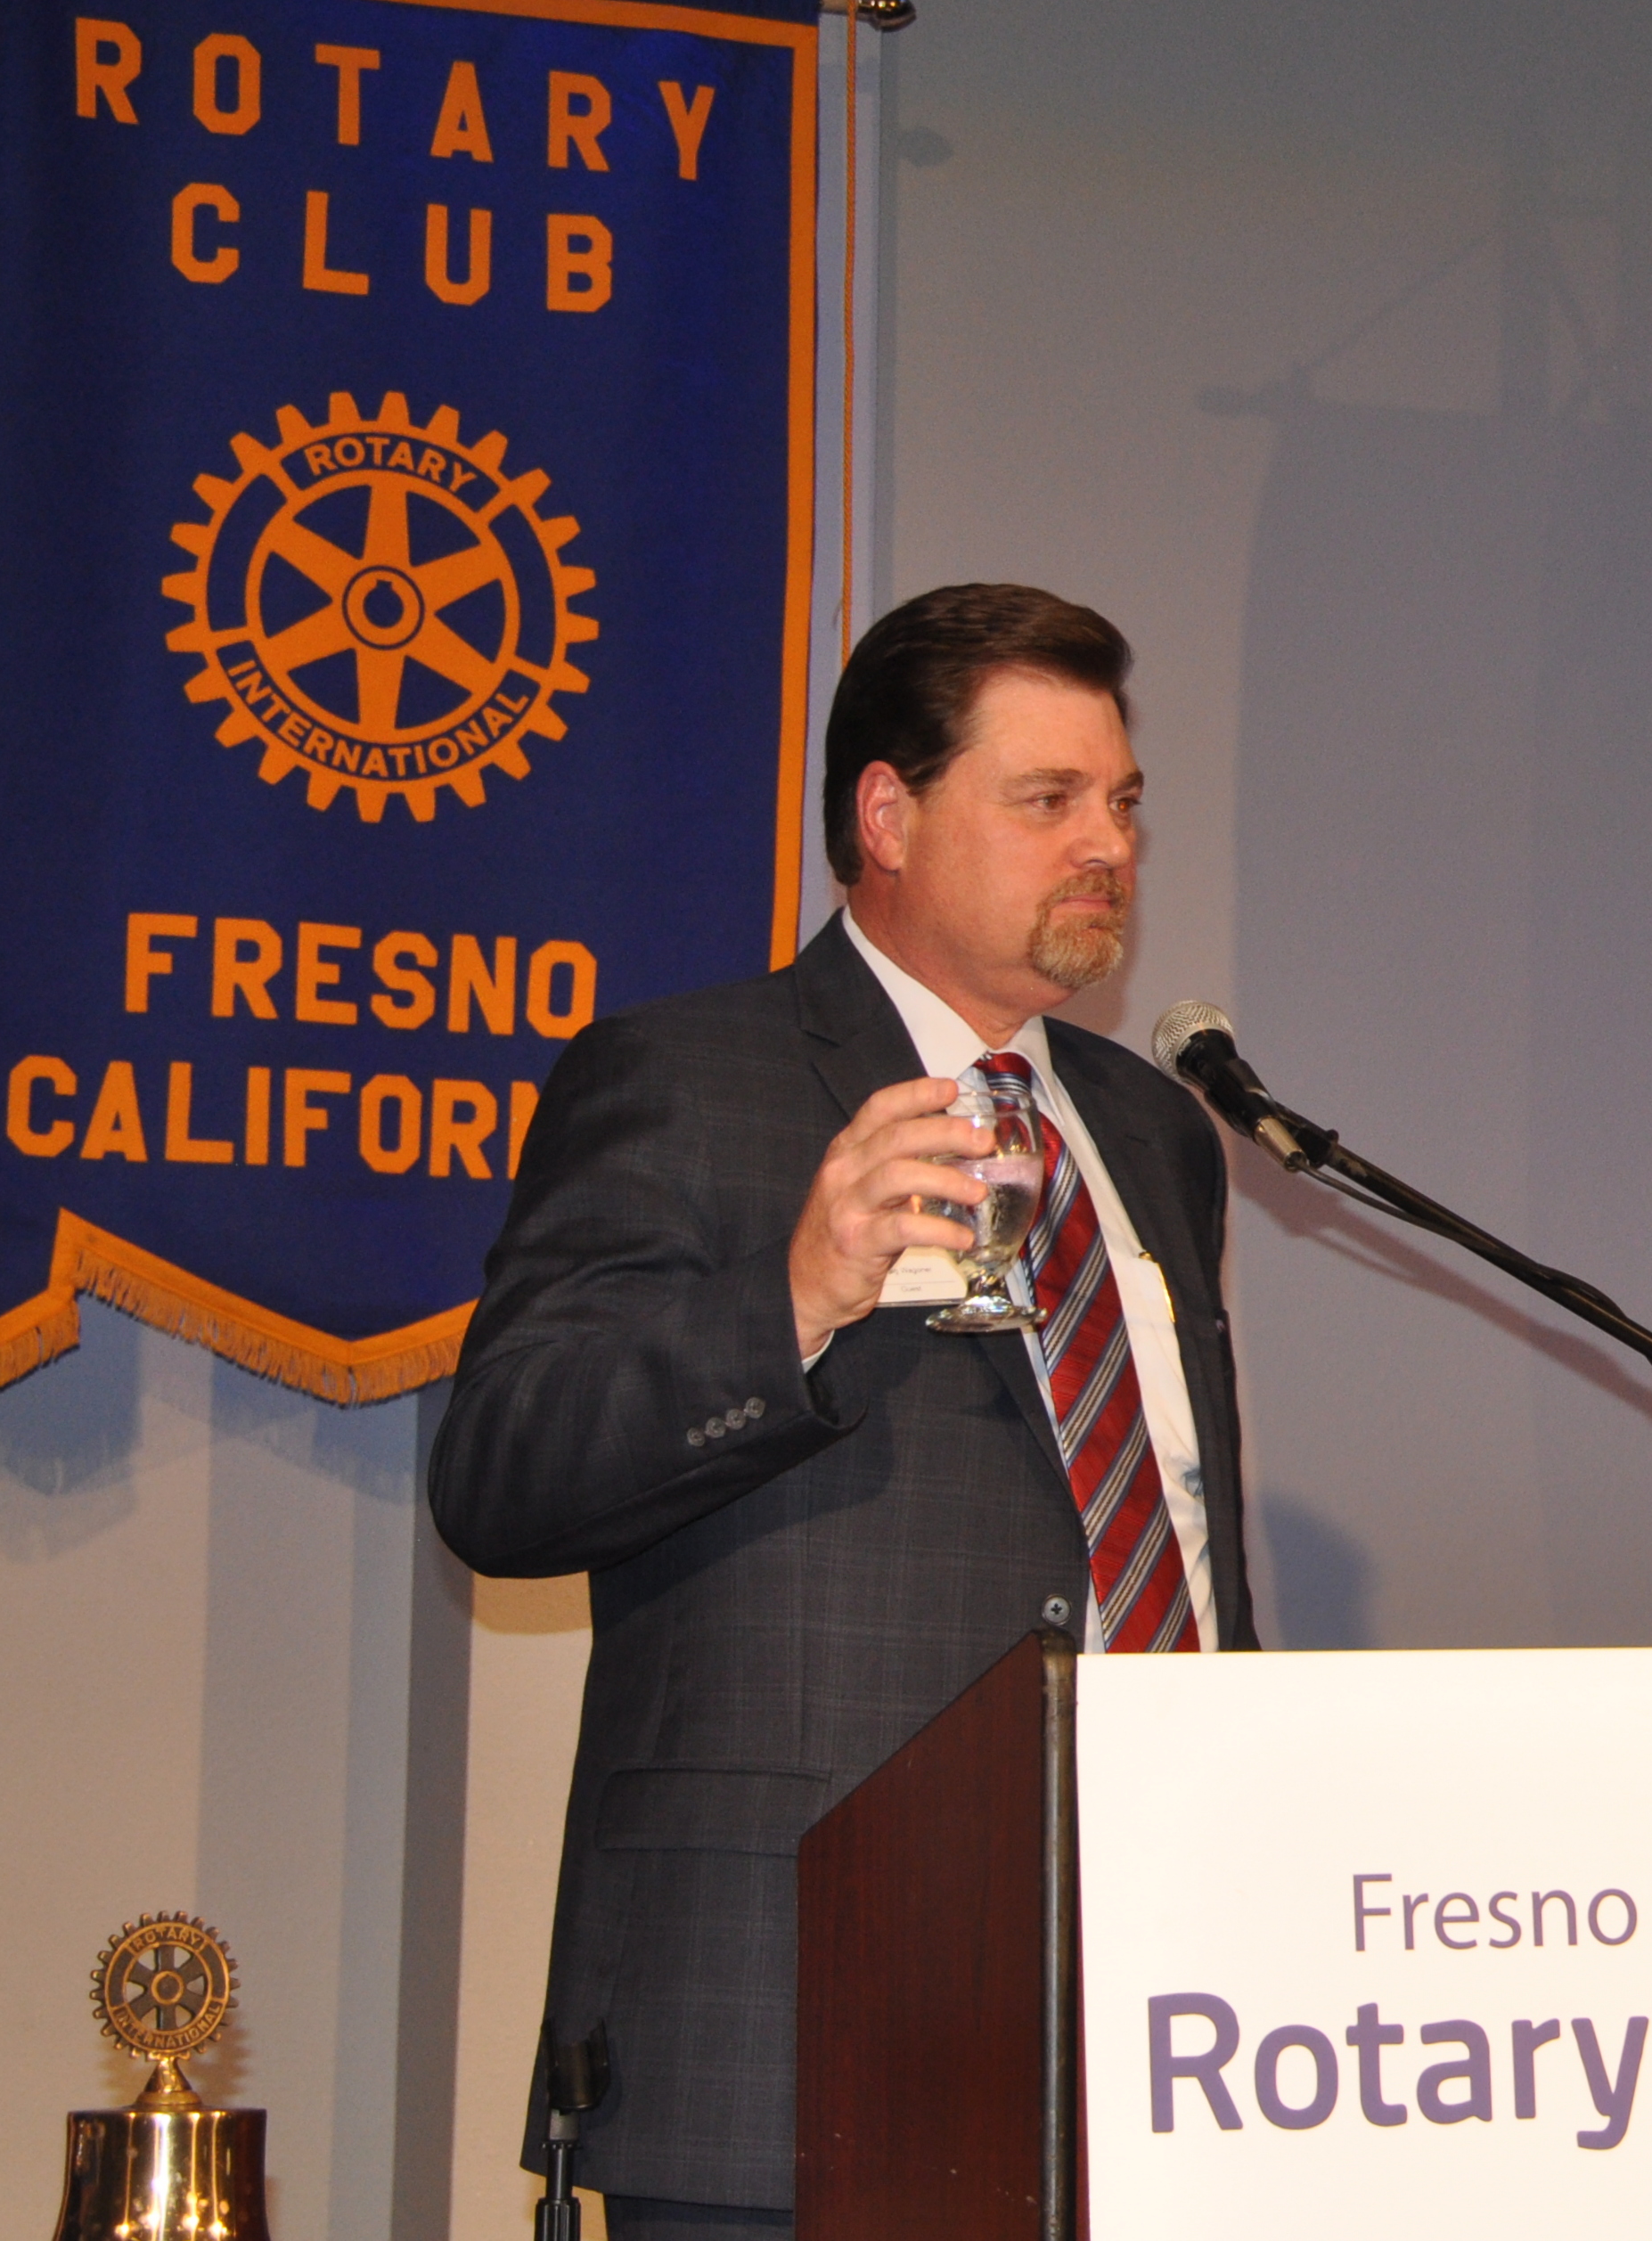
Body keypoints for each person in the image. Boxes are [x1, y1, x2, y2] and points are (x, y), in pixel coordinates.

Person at [429, 582, 1255, 2234]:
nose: (1108, 845)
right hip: (790, 2020)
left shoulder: (1155, 1132)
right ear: (887, 815)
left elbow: (1166, 1526)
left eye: (1122, 802)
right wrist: (796, 1296)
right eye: (1048, 799)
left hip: (1152, 2008)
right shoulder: (687, 1078)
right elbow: (499, 1477)